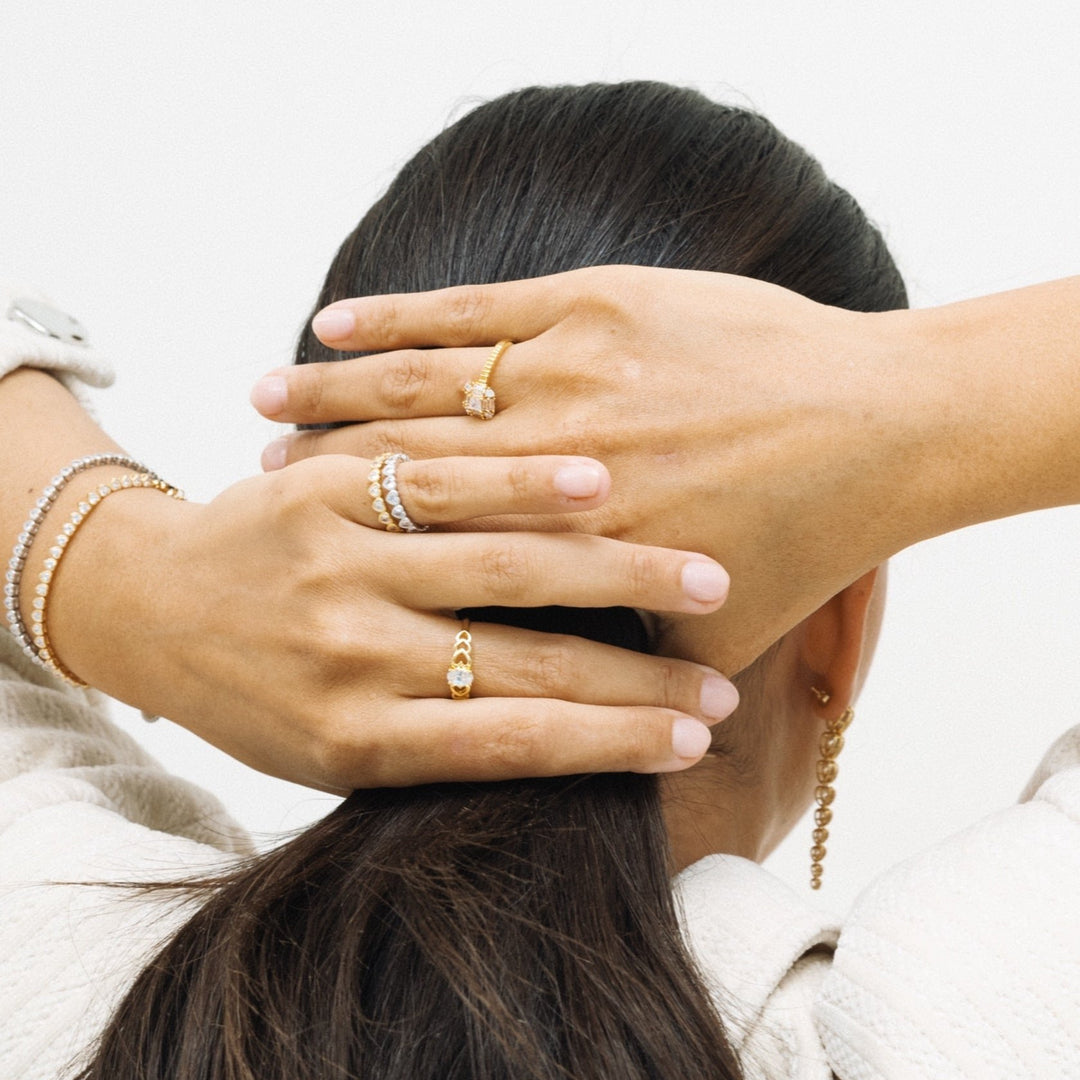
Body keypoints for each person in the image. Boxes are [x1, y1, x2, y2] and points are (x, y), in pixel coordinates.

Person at [0, 81, 1077, 1079]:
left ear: (310, 527)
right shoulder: (984, 1012)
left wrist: (126, 576)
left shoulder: (48, 961)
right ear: (844, 621)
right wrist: (903, 404)